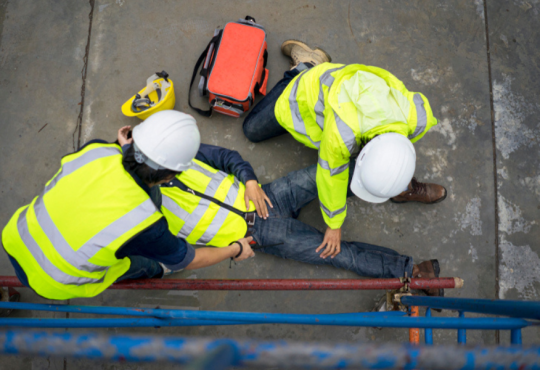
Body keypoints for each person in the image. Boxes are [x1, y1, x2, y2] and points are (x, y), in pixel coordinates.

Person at [1, 110, 254, 300]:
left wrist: (125, 150)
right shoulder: (145, 222)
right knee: (139, 262)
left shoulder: (97, 149)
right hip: (54, 279)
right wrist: (235, 249)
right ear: (169, 177)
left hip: (16, 235)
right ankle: (158, 269)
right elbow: (190, 259)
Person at [243, 40, 447, 261]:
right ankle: (306, 65)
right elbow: (331, 176)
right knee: (252, 130)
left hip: (347, 98)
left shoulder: (418, 117)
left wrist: (396, 174)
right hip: (306, 93)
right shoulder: (341, 135)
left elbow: (399, 151)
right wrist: (334, 224)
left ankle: (402, 187)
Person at [156, 142, 443, 296]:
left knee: (331, 174)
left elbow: (226, 157)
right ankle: (414, 272)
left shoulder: (168, 152)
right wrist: (234, 249)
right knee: (339, 254)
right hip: (260, 235)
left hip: (267, 195)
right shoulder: (145, 220)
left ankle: (397, 185)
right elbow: (181, 258)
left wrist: (251, 181)